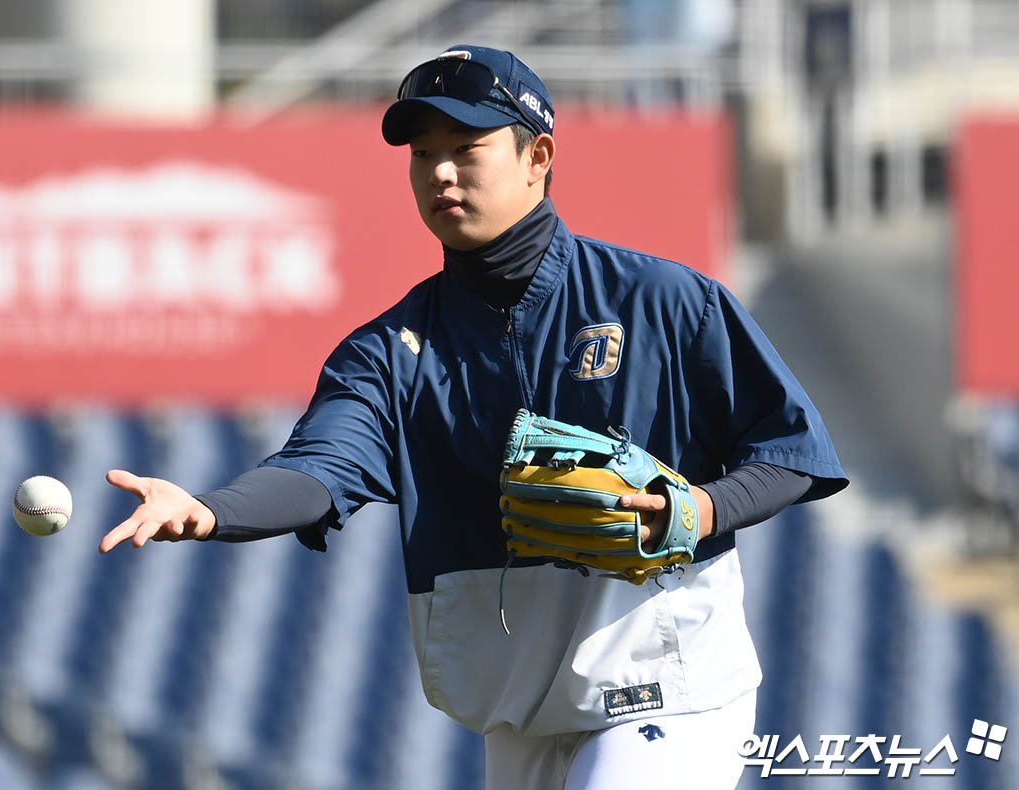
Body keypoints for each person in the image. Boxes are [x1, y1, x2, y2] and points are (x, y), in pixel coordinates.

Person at [100, 45, 848, 790]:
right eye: (423, 154)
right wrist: (209, 509)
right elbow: (319, 469)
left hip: (668, 686)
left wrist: (700, 508)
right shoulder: (388, 352)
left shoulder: (663, 302)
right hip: (520, 714)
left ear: (538, 156)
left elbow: (793, 449)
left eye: (466, 147)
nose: (441, 173)